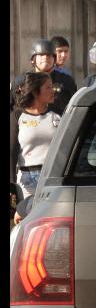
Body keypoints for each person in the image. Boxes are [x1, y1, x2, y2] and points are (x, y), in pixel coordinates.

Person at [9, 72, 61, 209]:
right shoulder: (17, 116)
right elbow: (12, 151)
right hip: (26, 179)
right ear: (35, 92)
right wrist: (11, 184)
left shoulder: (58, 114)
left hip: (53, 177)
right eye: (48, 88)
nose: (53, 91)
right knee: (27, 221)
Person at [14, 39, 77, 117]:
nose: (45, 58)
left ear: (54, 59)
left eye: (49, 55)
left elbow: (74, 107)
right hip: (27, 125)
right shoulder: (21, 81)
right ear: (34, 59)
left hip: (59, 125)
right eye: (41, 55)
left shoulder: (66, 81)